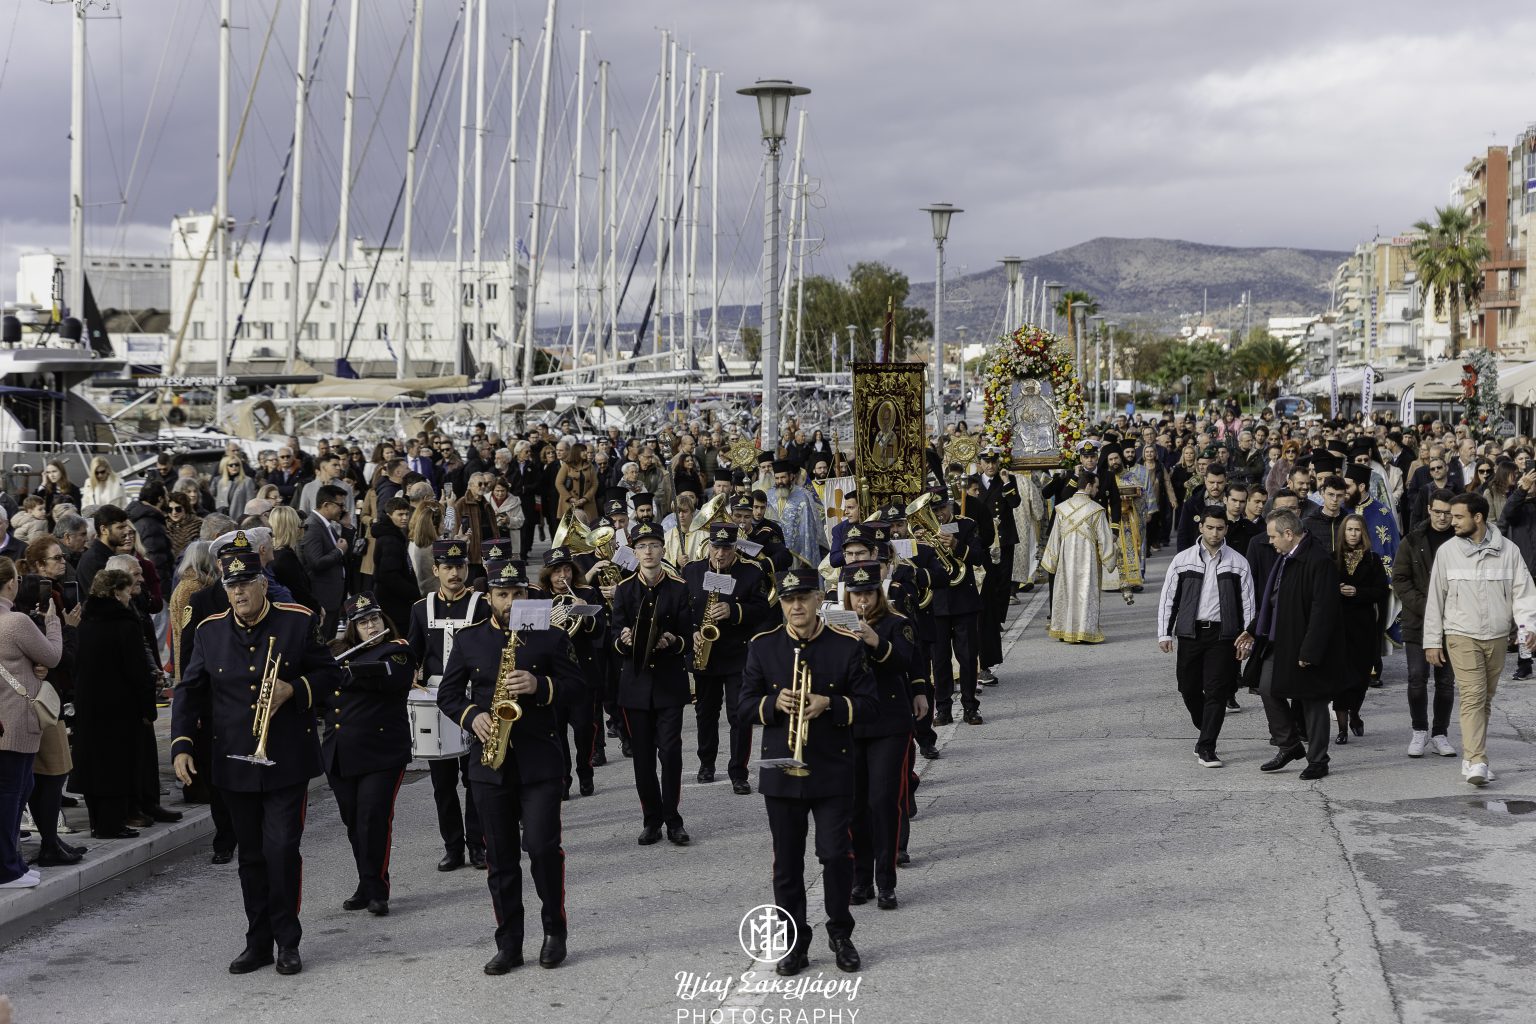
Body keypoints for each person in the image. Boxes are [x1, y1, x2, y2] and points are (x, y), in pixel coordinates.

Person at [171, 550, 341, 975]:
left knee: (281, 851)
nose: (239, 591)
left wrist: (295, 689)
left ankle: (288, 941)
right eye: (231, 585)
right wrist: (181, 744)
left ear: (263, 584)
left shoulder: (297, 620)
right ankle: (258, 941)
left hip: (285, 759)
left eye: (246, 582)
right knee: (251, 857)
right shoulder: (209, 631)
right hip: (232, 760)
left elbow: (331, 675)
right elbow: (188, 689)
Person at [436, 561, 585, 974]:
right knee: (500, 859)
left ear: (528, 595)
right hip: (489, 765)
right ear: (489, 599)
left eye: (518, 593)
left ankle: (555, 931)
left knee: (541, 849)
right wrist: (471, 716)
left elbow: (578, 688)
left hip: (539, 760)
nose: (510, 601)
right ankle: (510, 943)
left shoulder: (550, 636)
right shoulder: (469, 640)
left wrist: (541, 686)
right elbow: (448, 695)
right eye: (502, 594)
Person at [738, 567, 879, 976]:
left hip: (831, 768)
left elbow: (869, 706)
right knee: (786, 864)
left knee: (836, 855)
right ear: (780, 603)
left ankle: (840, 932)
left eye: (803, 598)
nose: (796, 606)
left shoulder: (845, 645)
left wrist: (830, 705)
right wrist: (772, 705)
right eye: (788, 600)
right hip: (781, 770)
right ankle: (794, 939)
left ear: (819, 599)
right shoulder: (763, 646)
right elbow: (743, 707)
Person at [1423, 492, 1536, 787]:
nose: (1452, 521)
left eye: (1458, 516)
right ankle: (1477, 760)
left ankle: (1471, 756)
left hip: (1497, 636)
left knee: (1484, 698)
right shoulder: (1447, 552)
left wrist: (1527, 629)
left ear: (1478, 518)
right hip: (1461, 634)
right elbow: (1436, 598)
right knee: (1473, 695)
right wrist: (1432, 640)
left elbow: (1524, 593)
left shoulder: (1508, 551)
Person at [321, 594, 415, 917]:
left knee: (373, 820)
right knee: (353, 823)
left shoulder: (397, 650)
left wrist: (345, 672)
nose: (371, 625)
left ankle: (378, 889)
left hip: (382, 753)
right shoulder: (337, 653)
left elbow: (388, 677)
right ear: (353, 628)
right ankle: (366, 881)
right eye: (363, 622)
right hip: (340, 754)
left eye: (374, 618)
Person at [841, 561, 925, 911]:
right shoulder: (837, 628)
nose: (862, 600)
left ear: (879, 594)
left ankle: (886, 880)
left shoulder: (896, 624)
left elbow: (906, 662)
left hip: (889, 723)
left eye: (869, 593)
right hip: (852, 723)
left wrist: (876, 641)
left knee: (883, 801)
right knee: (855, 806)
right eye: (857, 594)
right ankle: (861, 878)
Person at [611, 522, 696, 845]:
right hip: (635, 686)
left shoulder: (678, 588)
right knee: (643, 758)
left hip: (669, 684)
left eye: (654, 546)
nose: (648, 552)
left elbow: (689, 636)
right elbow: (613, 636)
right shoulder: (624, 590)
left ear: (663, 550)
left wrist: (674, 641)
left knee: (671, 752)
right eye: (642, 546)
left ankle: (674, 819)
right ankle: (652, 820)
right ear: (634, 552)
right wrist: (622, 638)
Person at [405, 540, 486, 871]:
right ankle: (453, 847)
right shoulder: (420, 609)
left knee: (475, 778)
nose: (455, 573)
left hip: (475, 699)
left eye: (460, 566)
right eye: (448, 567)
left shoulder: (481, 606)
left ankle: (478, 845)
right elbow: (412, 654)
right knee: (442, 784)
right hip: (438, 701)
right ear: (435, 570)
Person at [1156, 506, 1256, 768]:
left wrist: (1247, 639)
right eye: (1210, 527)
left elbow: (1248, 604)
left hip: (1224, 636)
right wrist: (1164, 633)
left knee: (1216, 691)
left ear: (1226, 529)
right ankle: (1206, 729)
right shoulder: (1183, 560)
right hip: (1191, 633)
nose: (1214, 533)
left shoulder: (1238, 562)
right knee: (1187, 688)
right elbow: (1168, 599)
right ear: (1201, 528)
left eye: (1220, 528)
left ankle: (1207, 746)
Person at [1252, 508, 1347, 780]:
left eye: (1273, 537)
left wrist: (1310, 650)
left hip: (1305, 644)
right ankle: (1290, 745)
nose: (1270, 542)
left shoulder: (1317, 561)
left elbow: (1324, 610)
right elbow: (1274, 599)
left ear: (1289, 534)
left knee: (1312, 702)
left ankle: (1318, 760)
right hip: (1279, 638)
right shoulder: (1285, 557)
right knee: (1267, 688)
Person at [71, 567, 155, 842]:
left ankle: (98, 822)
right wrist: (147, 707)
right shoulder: (125, 624)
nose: (131, 594)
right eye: (127, 589)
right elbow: (138, 671)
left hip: (89, 703)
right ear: (117, 592)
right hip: (120, 706)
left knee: (95, 763)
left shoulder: (85, 622)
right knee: (118, 765)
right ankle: (113, 824)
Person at [684, 524, 768, 794]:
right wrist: (693, 631)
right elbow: (681, 608)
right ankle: (706, 764)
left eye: (727, 548)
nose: (720, 554)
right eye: (716, 547)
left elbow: (763, 609)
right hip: (704, 653)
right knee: (705, 713)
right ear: (708, 545)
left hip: (737, 654)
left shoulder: (751, 572)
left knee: (739, 715)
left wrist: (734, 610)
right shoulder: (693, 570)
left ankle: (738, 772)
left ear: (735, 548)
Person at [0, 556, 62, 888]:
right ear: (10, 583)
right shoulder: (16, 621)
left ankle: (15, 864)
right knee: (13, 793)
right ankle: (7, 869)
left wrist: (31, 667)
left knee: (18, 790)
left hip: (6, 717)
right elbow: (51, 655)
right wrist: (52, 623)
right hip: (14, 720)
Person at [534, 547, 608, 798]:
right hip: (553, 676)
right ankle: (563, 777)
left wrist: (585, 614)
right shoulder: (540, 599)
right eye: (556, 572)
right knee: (556, 729)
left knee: (585, 728)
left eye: (566, 569)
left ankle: (585, 771)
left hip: (582, 672)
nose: (562, 576)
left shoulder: (586, 593)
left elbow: (599, 632)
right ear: (548, 575)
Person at [1392, 489, 1460, 757]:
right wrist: (1428, 606)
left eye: (1448, 513)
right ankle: (1419, 730)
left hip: (1453, 621)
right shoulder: (1412, 540)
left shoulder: (1461, 540)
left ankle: (1440, 733)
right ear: (1429, 509)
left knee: (1445, 681)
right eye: (1438, 512)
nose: (1443, 518)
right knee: (1417, 677)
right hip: (1418, 620)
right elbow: (1400, 579)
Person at [1331, 513, 1388, 746]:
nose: (1353, 534)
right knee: (1340, 678)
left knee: (1361, 677)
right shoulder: (1332, 558)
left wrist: (1358, 592)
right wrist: (1338, 589)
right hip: (1339, 626)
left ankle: (1355, 713)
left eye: (1357, 530)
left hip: (1364, 626)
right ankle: (1342, 728)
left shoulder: (1373, 560)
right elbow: (1322, 587)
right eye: (1349, 530)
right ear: (1343, 532)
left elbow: (1381, 591)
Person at [1039, 471, 1116, 644]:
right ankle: (1084, 631)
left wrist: (1051, 561)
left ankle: (1063, 630)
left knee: (1065, 590)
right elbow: (1105, 538)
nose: (1097, 490)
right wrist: (1110, 560)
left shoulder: (1062, 508)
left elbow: (1054, 538)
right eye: (1096, 487)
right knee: (1085, 591)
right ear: (1088, 486)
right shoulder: (1096, 510)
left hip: (1066, 559)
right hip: (1087, 560)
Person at [301, 484, 349, 638]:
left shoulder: (327, 526)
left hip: (333, 597)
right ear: (326, 505)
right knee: (324, 642)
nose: (343, 509)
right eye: (340, 505)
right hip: (323, 598)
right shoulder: (313, 526)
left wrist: (347, 528)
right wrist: (339, 551)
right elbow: (316, 563)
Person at [369, 497, 419, 631]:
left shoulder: (393, 535)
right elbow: (390, 576)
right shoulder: (390, 540)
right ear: (389, 515)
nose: (404, 518)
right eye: (400, 514)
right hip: (393, 605)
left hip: (393, 601)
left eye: (406, 514)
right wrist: (414, 593)